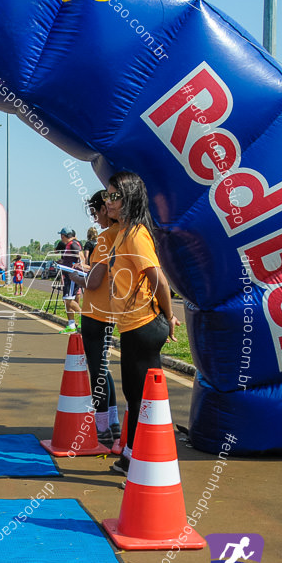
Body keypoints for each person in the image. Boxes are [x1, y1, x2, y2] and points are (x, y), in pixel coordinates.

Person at [98, 172, 180, 475]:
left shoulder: (136, 234)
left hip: (144, 325)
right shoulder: (123, 232)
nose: (108, 202)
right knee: (135, 398)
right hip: (131, 326)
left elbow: (158, 277)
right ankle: (131, 458)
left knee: (143, 401)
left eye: (113, 196)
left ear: (129, 198)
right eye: (106, 196)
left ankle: (146, 466)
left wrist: (169, 315)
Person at [68, 192, 121, 448]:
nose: (95, 218)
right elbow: (106, 271)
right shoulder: (123, 234)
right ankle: (113, 424)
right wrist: (89, 270)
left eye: (95, 212)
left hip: (95, 312)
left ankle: (101, 430)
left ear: (105, 208)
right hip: (110, 310)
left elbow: (94, 281)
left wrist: (78, 276)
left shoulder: (105, 237)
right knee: (104, 369)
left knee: (97, 372)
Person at [54, 228, 83, 334]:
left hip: (71, 276)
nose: (61, 238)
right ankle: (71, 325)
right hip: (67, 275)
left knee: (69, 300)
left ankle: (84, 316)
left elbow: (81, 257)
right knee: (67, 301)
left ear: (65, 236)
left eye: (62, 236)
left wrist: (79, 267)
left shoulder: (73, 244)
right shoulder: (69, 245)